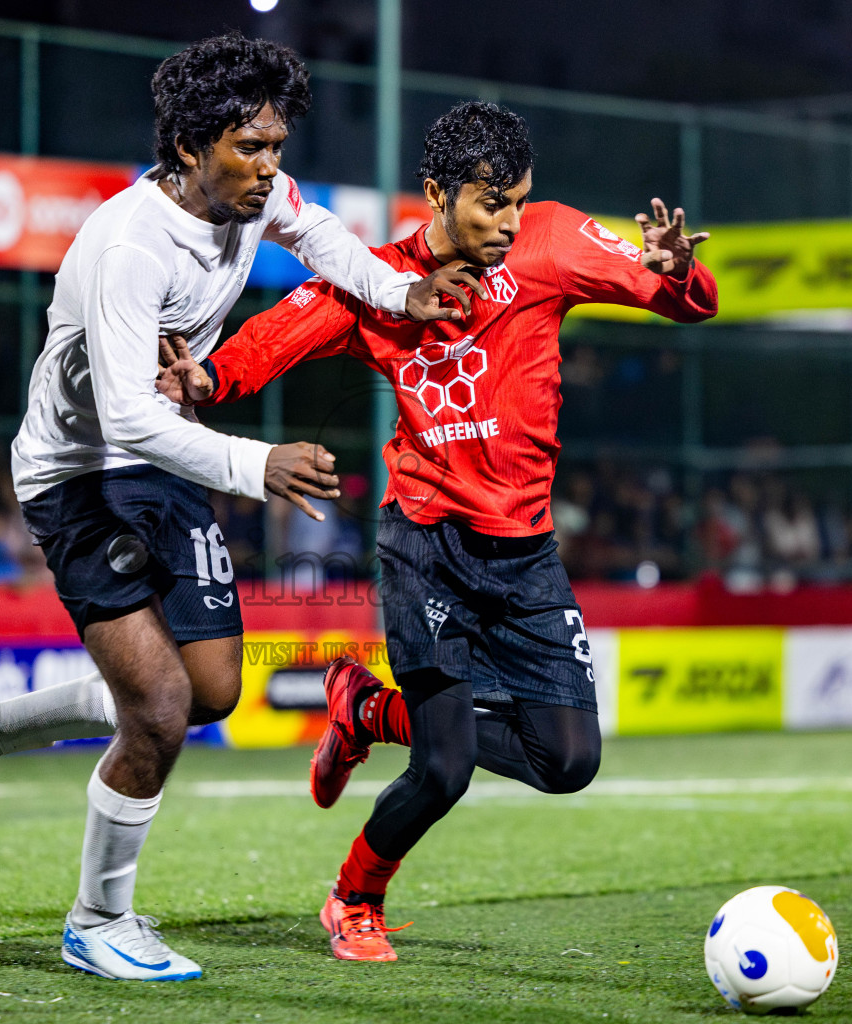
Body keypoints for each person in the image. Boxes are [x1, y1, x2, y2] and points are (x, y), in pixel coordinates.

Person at [0, 33, 480, 983]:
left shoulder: (256, 197)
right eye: (249, 148)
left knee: (210, 690)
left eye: (276, 146)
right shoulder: (130, 247)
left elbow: (326, 237)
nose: (270, 168)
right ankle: (97, 920)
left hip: (161, 462)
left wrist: (403, 291)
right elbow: (129, 418)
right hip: (79, 475)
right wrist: (260, 464)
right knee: (163, 704)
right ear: (188, 148)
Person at [162, 101, 717, 962]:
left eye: (519, 201)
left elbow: (682, 299)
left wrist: (681, 274)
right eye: (490, 203)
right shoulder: (381, 281)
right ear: (435, 194)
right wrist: (208, 376)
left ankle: (368, 710)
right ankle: (354, 899)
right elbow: (280, 334)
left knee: (569, 761)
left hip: (525, 555)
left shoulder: (554, 244)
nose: (508, 223)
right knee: (446, 768)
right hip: (425, 549)